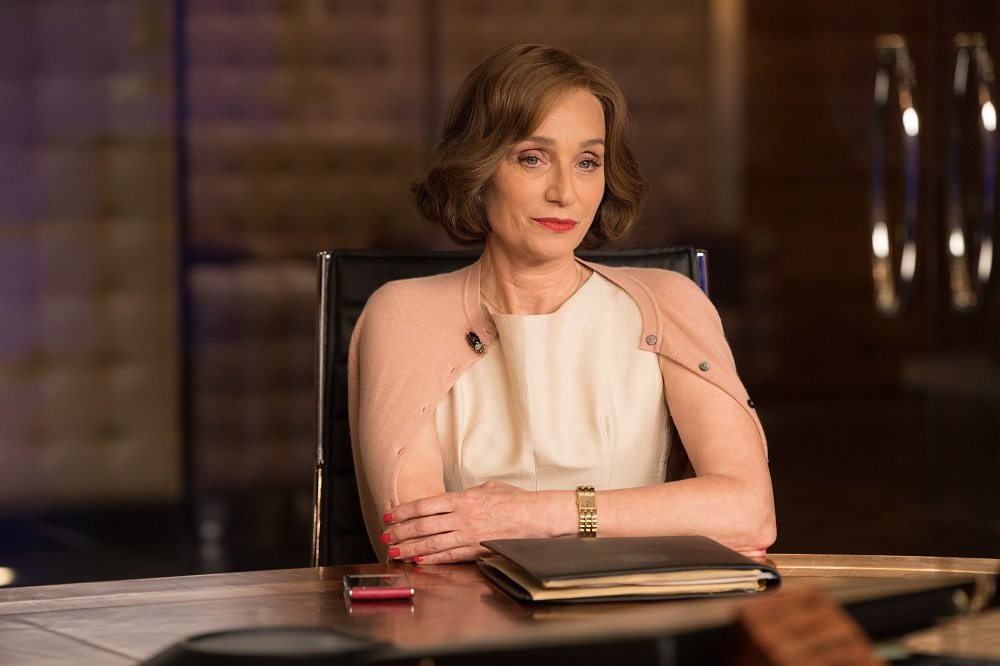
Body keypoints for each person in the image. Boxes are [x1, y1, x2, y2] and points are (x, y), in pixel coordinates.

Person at [348, 43, 775, 564]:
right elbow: (421, 543)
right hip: (470, 609)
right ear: (479, 170)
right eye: (533, 158)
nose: (565, 192)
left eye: (587, 162)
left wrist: (537, 515)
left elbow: (749, 511)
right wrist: (642, 517)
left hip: (642, 603)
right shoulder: (404, 314)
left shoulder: (669, 302)